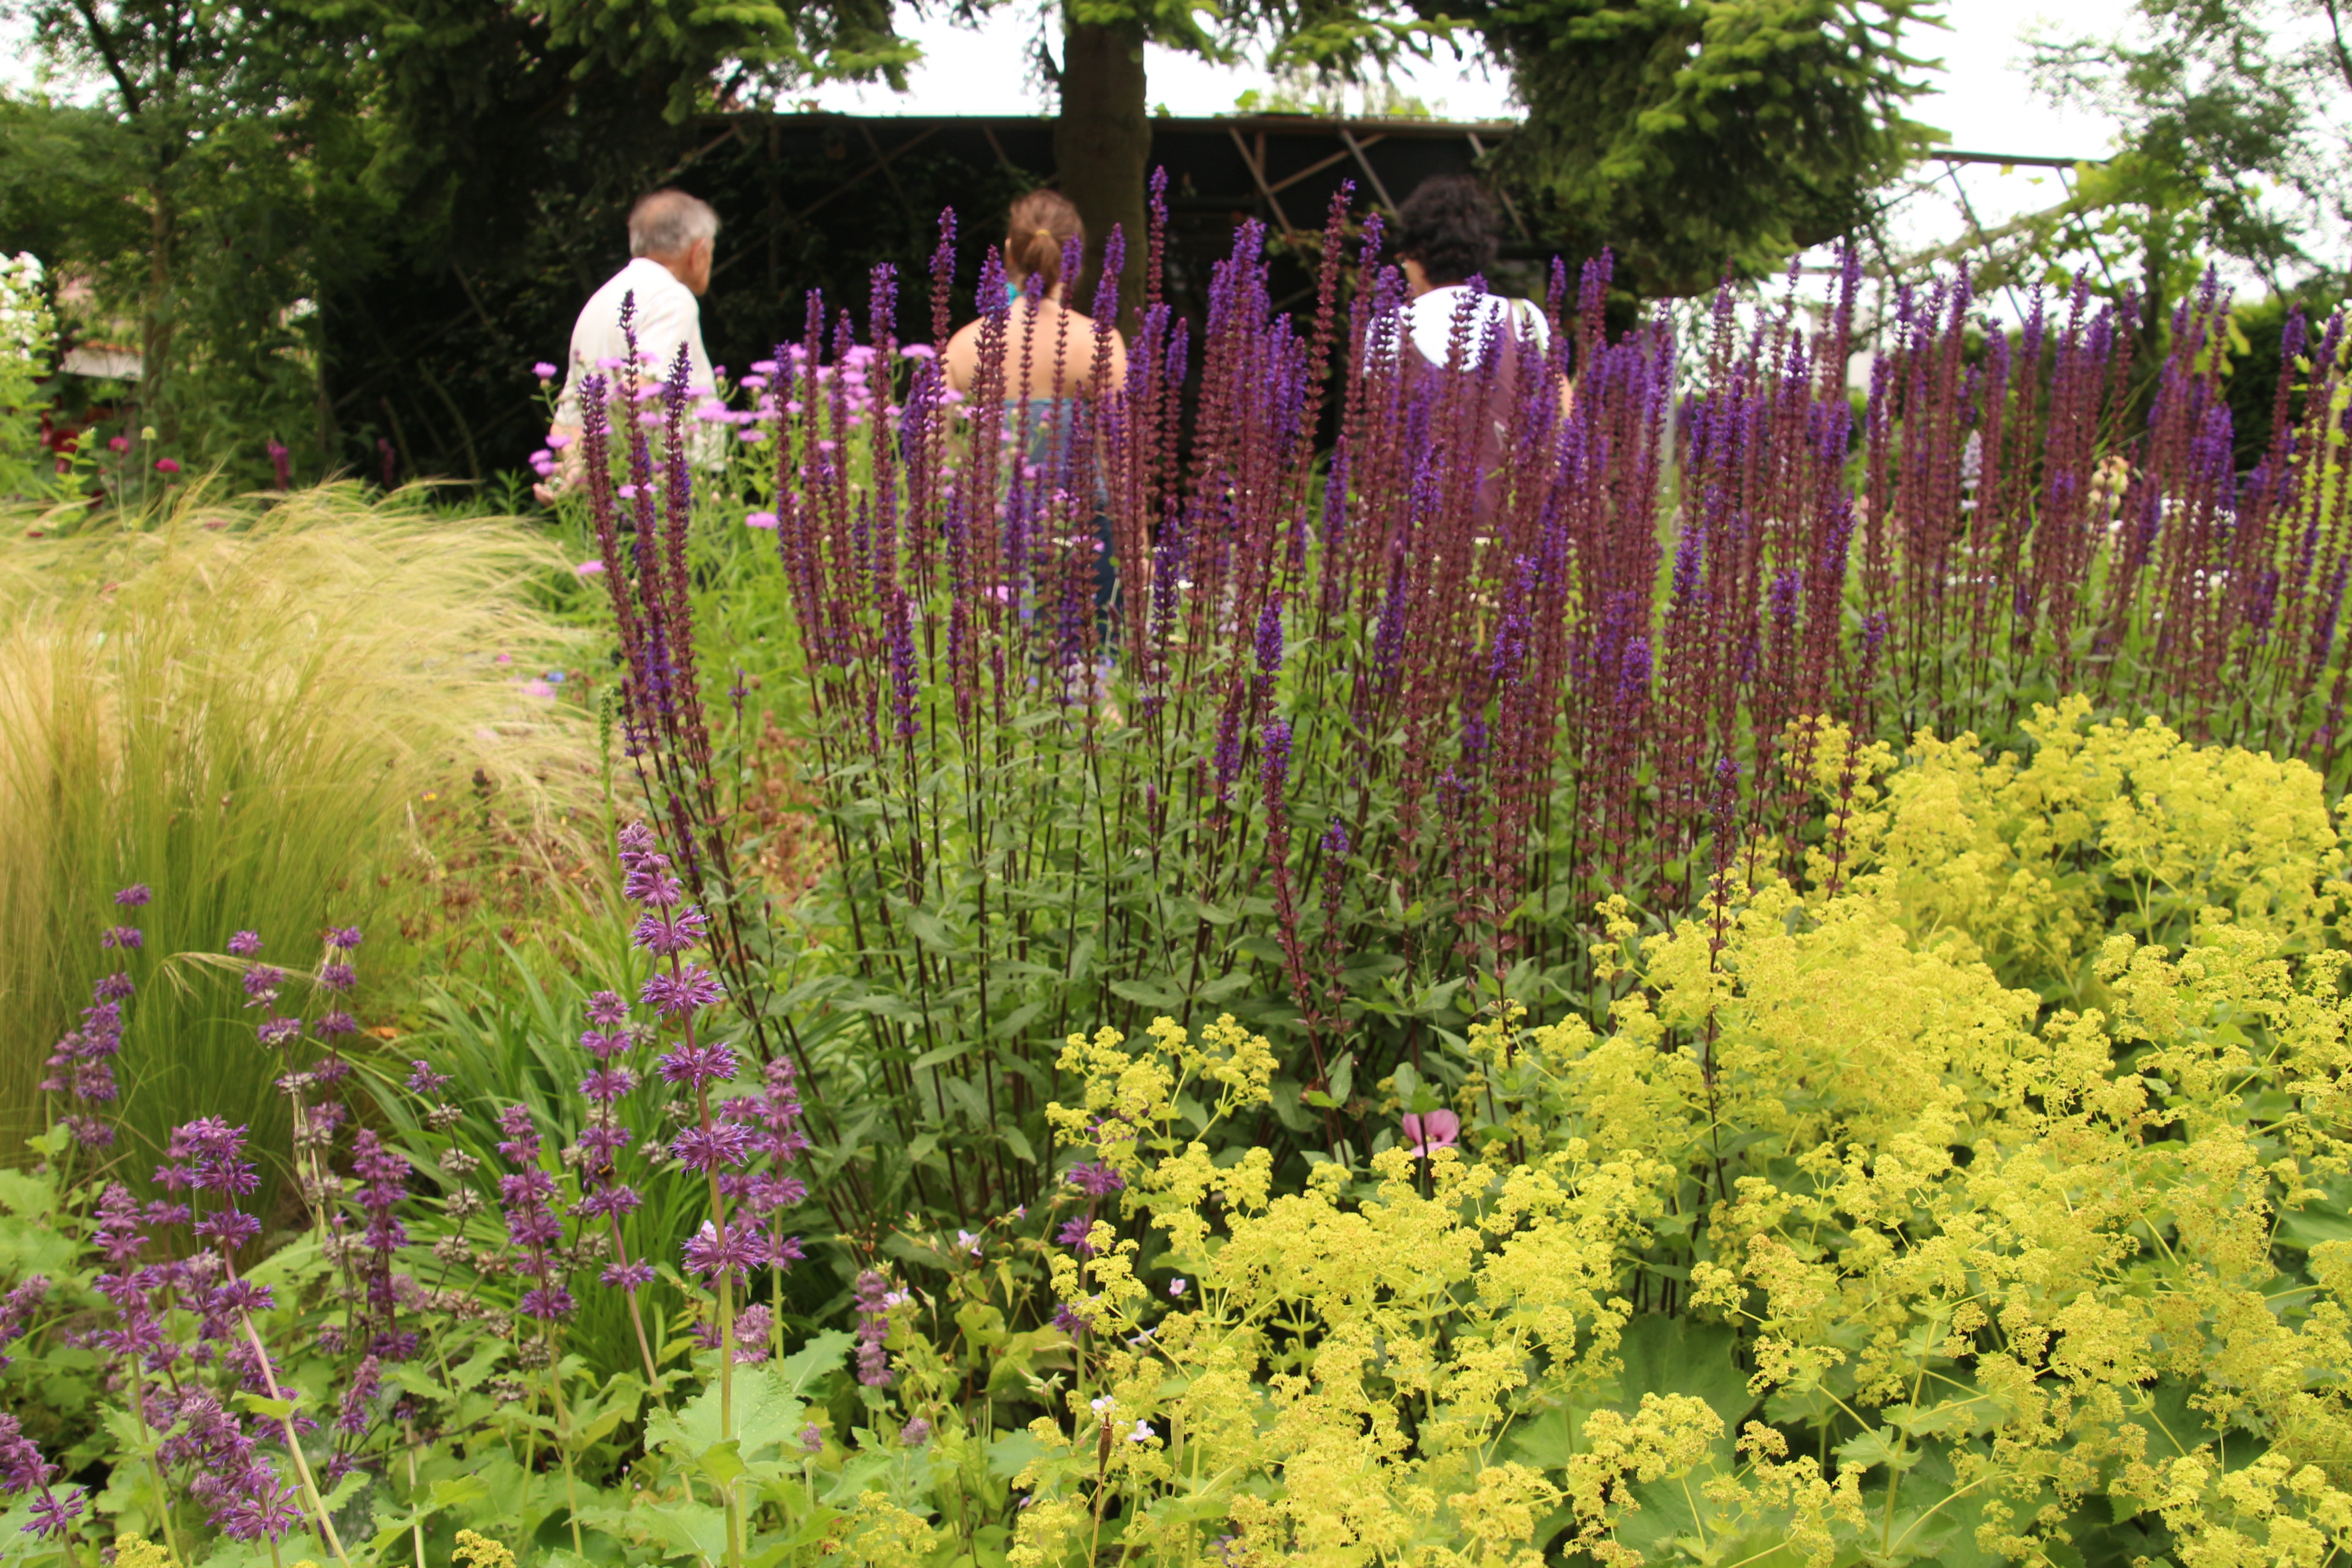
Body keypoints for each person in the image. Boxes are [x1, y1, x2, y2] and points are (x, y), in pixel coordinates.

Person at [942, 190, 1130, 638]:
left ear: (1009, 251)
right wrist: (1137, 551)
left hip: (992, 535)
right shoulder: (1102, 342)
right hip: (1088, 538)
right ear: (1076, 259)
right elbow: (1121, 466)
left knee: (994, 675)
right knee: (1092, 682)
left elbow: (940, 464)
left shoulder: (964, 345)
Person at [536, 189, 720, 503]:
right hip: (668, 488)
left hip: (612, 493)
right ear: (698, 250)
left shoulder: (600, 301)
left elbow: (565, 424)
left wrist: (576, 470)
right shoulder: (673, 299)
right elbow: (640, 390)